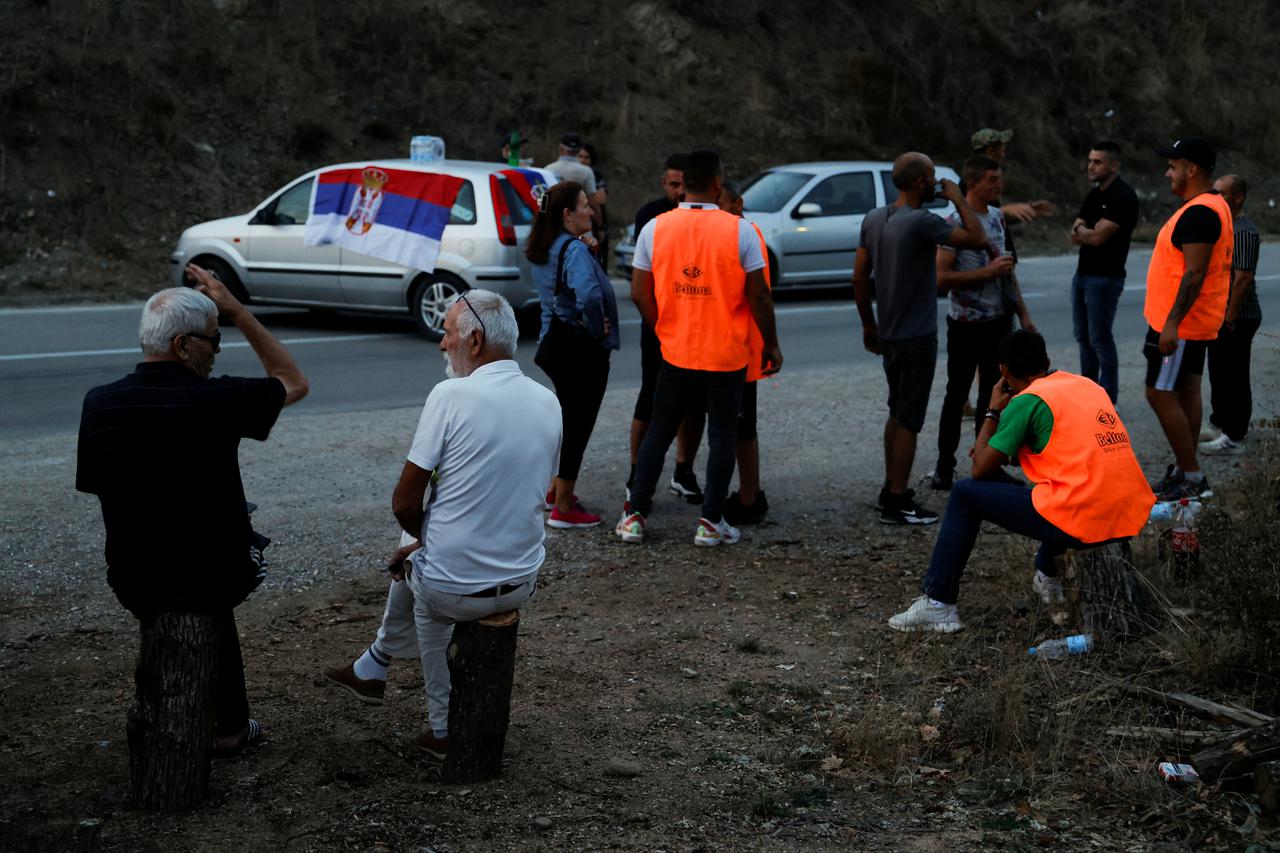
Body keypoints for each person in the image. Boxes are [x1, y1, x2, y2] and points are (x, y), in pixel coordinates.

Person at [76, 264, 309, 755]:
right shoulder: (218, 398)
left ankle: (180, 714)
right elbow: (293, 380)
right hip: (216, 575)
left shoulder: (98, 403)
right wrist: (239, 311)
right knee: (209, 575)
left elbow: (100, 486)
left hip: (132, 577)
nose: (217, 351)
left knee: (172, 560)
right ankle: (228, 727)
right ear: (184, 346)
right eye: (213, 341)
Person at [323, 291, 561, 760]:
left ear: (473, 341)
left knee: (421, 573)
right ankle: (373, 665)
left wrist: (422, 540)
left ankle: (438, 725)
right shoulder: (548, 399)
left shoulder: (450, 394)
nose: (440, 344)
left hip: (457, 586)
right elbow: (532, 491)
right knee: (421, 550)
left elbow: (404, 501)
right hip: (521, 580)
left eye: (446, 333)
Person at [888, 330, 1155, 632]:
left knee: (965, 493)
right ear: (1047, 361)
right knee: (1054, 488)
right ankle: (1048, 574)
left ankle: (938, 603)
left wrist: (991, 411)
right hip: (1128, 511)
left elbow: (979, 470)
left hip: (1088, 513)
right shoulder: (1086, 385)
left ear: (1002, 371)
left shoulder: (1026, 401)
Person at [619, 148, 782, 546]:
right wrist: (771, 345)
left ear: (683, 184)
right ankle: (710, 522)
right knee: (723, 435)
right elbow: (759, 295)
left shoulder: (655, 228)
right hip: (725, 353)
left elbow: (640, 292)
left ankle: (634, 515)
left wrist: (663, 328)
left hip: (676, 351)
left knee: (660, 430)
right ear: (717, 184)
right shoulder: (738, 230)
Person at [853, 152, 987, 524]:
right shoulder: (923, 222)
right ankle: (898, 499)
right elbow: (977, 236)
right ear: (918, 183)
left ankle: (889, 486)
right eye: (931, 178)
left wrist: (868, 324)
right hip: (916, 335)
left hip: (889, 333)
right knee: (910, 419)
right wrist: (958, 197)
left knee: (896, 411)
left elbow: (859, 277)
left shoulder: (873, 218)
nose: (935, 184)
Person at [931, 156, 1035, 492]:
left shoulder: (997, 219)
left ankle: (985, 465)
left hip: (998, 322)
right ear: (972, 183)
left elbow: (1007, 270)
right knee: (956, 394)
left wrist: (1023, 314)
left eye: (999, 178)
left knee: (995, 394)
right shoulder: (952, 224)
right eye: (992, 179)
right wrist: (986, 273)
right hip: (965, 324)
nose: (999, 185)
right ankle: (943, 468)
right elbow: (941, 279)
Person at [1143, 137, 1232, 501]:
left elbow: (1194, 274)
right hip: (1190, 325)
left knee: (1158, 392)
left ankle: (1192, 476)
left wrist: (1171, 324)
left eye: (1173, 165)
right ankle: (1186, 469)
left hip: (1179, 326)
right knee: (1186, 391)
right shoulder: (1209, 206)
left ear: (1191, 170)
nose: (1168, 172)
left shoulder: (1200, 212)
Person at [527, 181, 620, 528]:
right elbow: (590, 296)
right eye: (584, 205)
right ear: (567, 215)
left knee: (568, 420)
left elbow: (562, 288)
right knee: (579, 423)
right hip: (580, 351)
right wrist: (598, 330)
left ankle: (555, 489)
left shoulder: (548, 246)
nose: (591, 210)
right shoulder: (574, 250)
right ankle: (564, 507)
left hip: (553, 344)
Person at [629, 152, 707, 504]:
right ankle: (636, 473)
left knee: (695, 403)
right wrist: (660, 326)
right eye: (672, 184)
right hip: (659, 325)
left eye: (683, 184)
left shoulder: (706, 217)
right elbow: (639, 285)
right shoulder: (651, 217)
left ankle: (684, 469)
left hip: (697, 327)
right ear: (664, 184)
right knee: (650, 401)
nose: (678, 190)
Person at [1069, 141, 1139, 403]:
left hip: (1106, 278)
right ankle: (1089, 396)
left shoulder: (1124, 196)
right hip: (1083, 275)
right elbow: (1076, 234)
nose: (1091, 166)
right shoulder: (1094, 195)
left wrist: (1087, 232)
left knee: (1100, 339)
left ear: (1114, 165)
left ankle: (1108, 400)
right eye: (1090, 160)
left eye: (1097, 161)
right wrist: (1087, 231)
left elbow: (1097, 238)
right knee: (1083, 337)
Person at [717, 180, 770, 525]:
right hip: (725, 347)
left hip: (741, 349)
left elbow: (758, 294)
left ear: (737, 205)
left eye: (719, 204)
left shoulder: (747, 234)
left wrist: (770, 346)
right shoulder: (732, 231)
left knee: (742, 428)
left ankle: (750, 496)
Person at [1202, 174, 1262, 455]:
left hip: (1238, 315)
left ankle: (1234, 434)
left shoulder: (1244, 232)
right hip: (1219, 314)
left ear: (1237, 197)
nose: (1215, 198)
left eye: (1221, 193)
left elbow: (1242, 278)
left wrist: (1230, 317)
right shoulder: (1224, 227)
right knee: (1219, 371)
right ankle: (1221, 423)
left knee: (1234, 374)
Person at [543, 133, 601, 221]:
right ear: (578, 151)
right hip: (579, 221)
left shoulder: (548, 169)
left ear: (561, 149)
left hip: (555, 222)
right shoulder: (586, 171)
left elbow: (544, 199)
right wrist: (599, 224)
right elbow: (592, 200)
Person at [577, 143, 610, 266]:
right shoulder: (573, 172)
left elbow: (600, 199)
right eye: (580, 156)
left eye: (586, 157)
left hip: (597, 217)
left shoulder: (595, 175)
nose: (583, 160)